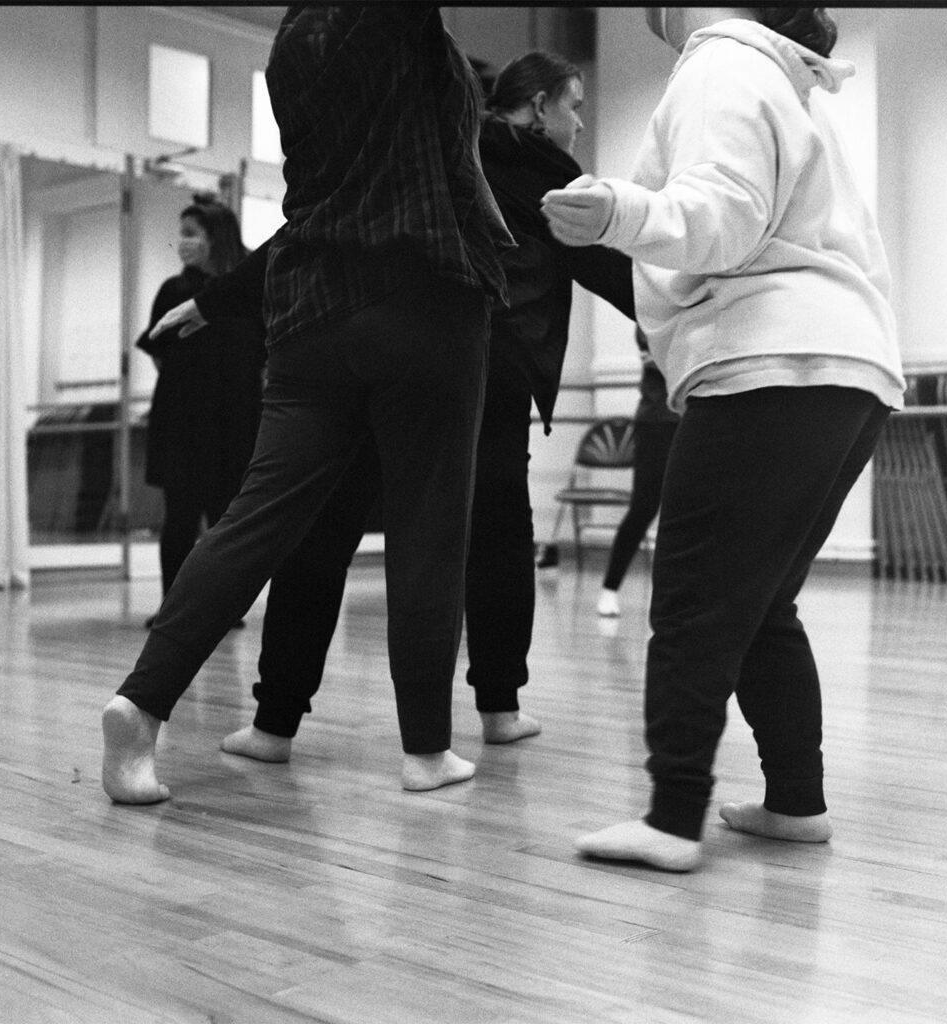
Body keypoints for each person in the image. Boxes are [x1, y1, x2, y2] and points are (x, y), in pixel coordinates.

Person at [163, 50, 638, 764]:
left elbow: (301, 238)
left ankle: (273, 724)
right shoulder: (543, 174)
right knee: (492, 535)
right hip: (487, 366)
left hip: (382, 350)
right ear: (536, 106)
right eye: (572, 107)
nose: (575, 125)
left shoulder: (402, 154)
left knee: (324, 533)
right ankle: (498, 710)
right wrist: (684, 326)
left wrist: (212, 298)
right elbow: (614, 271)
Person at [101, 5, 514, 802]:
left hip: (308, 313)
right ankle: (427, 750)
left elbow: (324, 203)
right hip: (424, 300)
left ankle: (141, 703)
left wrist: (219, 299)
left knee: (254, 521)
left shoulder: (295, 36)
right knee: (429, 531)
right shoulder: (396, 24)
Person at [542, 6, 905, 871]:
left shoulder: (721, 62)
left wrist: (616, 211)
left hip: (771, 361)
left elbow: (727, 214)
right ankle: (795, 802)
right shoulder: (782, 76)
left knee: (697, 598)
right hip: (846, 367)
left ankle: (672, 819)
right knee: (757, 603)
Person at [136, 196, 265, 626]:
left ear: (216, 238)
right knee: (180, 518)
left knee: (227, 519)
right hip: (182, 423)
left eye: (191, 234)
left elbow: (264, 354)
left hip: (234, 422)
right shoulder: (174, 290)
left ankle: (222, 608)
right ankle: (174, 607)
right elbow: (158, 350)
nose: (182, 243)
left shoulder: (247, 292)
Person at [596, 331, 679, 618]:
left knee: (686, 509)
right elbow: (660, 358)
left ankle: (677, 597)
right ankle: (610, 588)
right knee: (644, 506)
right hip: (657, 421)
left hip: (691, 418)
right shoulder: (652, 309)